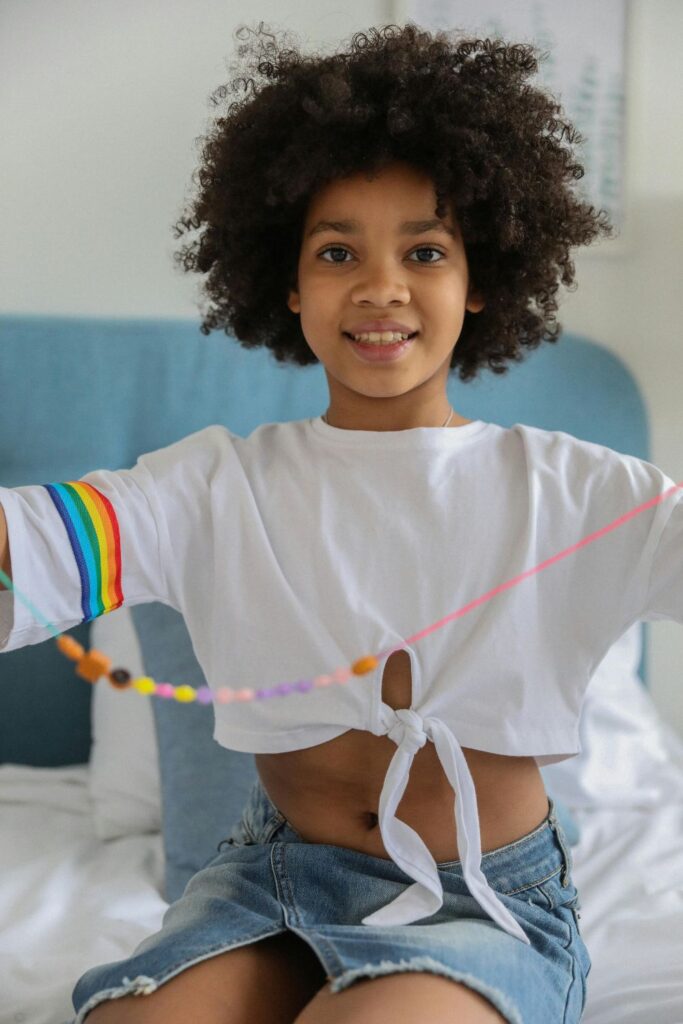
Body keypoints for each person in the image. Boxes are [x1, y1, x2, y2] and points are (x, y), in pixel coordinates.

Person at [1, 21, 681, 1024]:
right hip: (267, 885)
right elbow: (38, 545)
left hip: (481, 904)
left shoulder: (577, 492)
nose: (379, 286)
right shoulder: (213, 488)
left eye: (424, 250)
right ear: (287, 279)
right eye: (335, 251)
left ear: (478, 277)